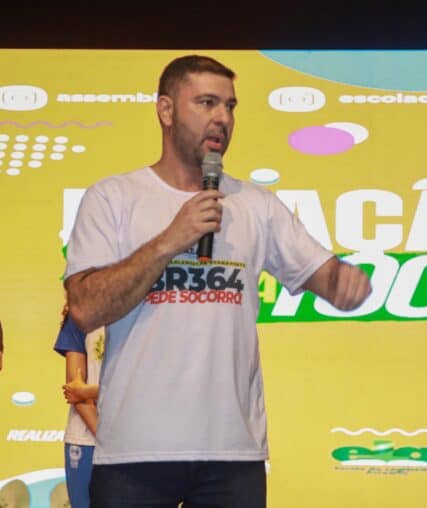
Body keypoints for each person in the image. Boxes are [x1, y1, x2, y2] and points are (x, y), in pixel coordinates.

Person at [64, 54, 372, 508]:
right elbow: (86, 308)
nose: (222, 118)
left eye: (230, 106)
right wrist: (171, 239)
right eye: (206, 103)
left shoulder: (256, 205)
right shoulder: (113, 198)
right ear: (166, 110)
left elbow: (325, 277)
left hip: (232, 453)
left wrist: (345, 284)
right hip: (135, 451)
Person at [54, 309, 104, 508]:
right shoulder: (79, 315)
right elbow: (74, 388)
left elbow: (141, 388)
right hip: (85, 438)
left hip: (133, 441)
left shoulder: (145, 312)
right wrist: (106, 437)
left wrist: (88, 391)